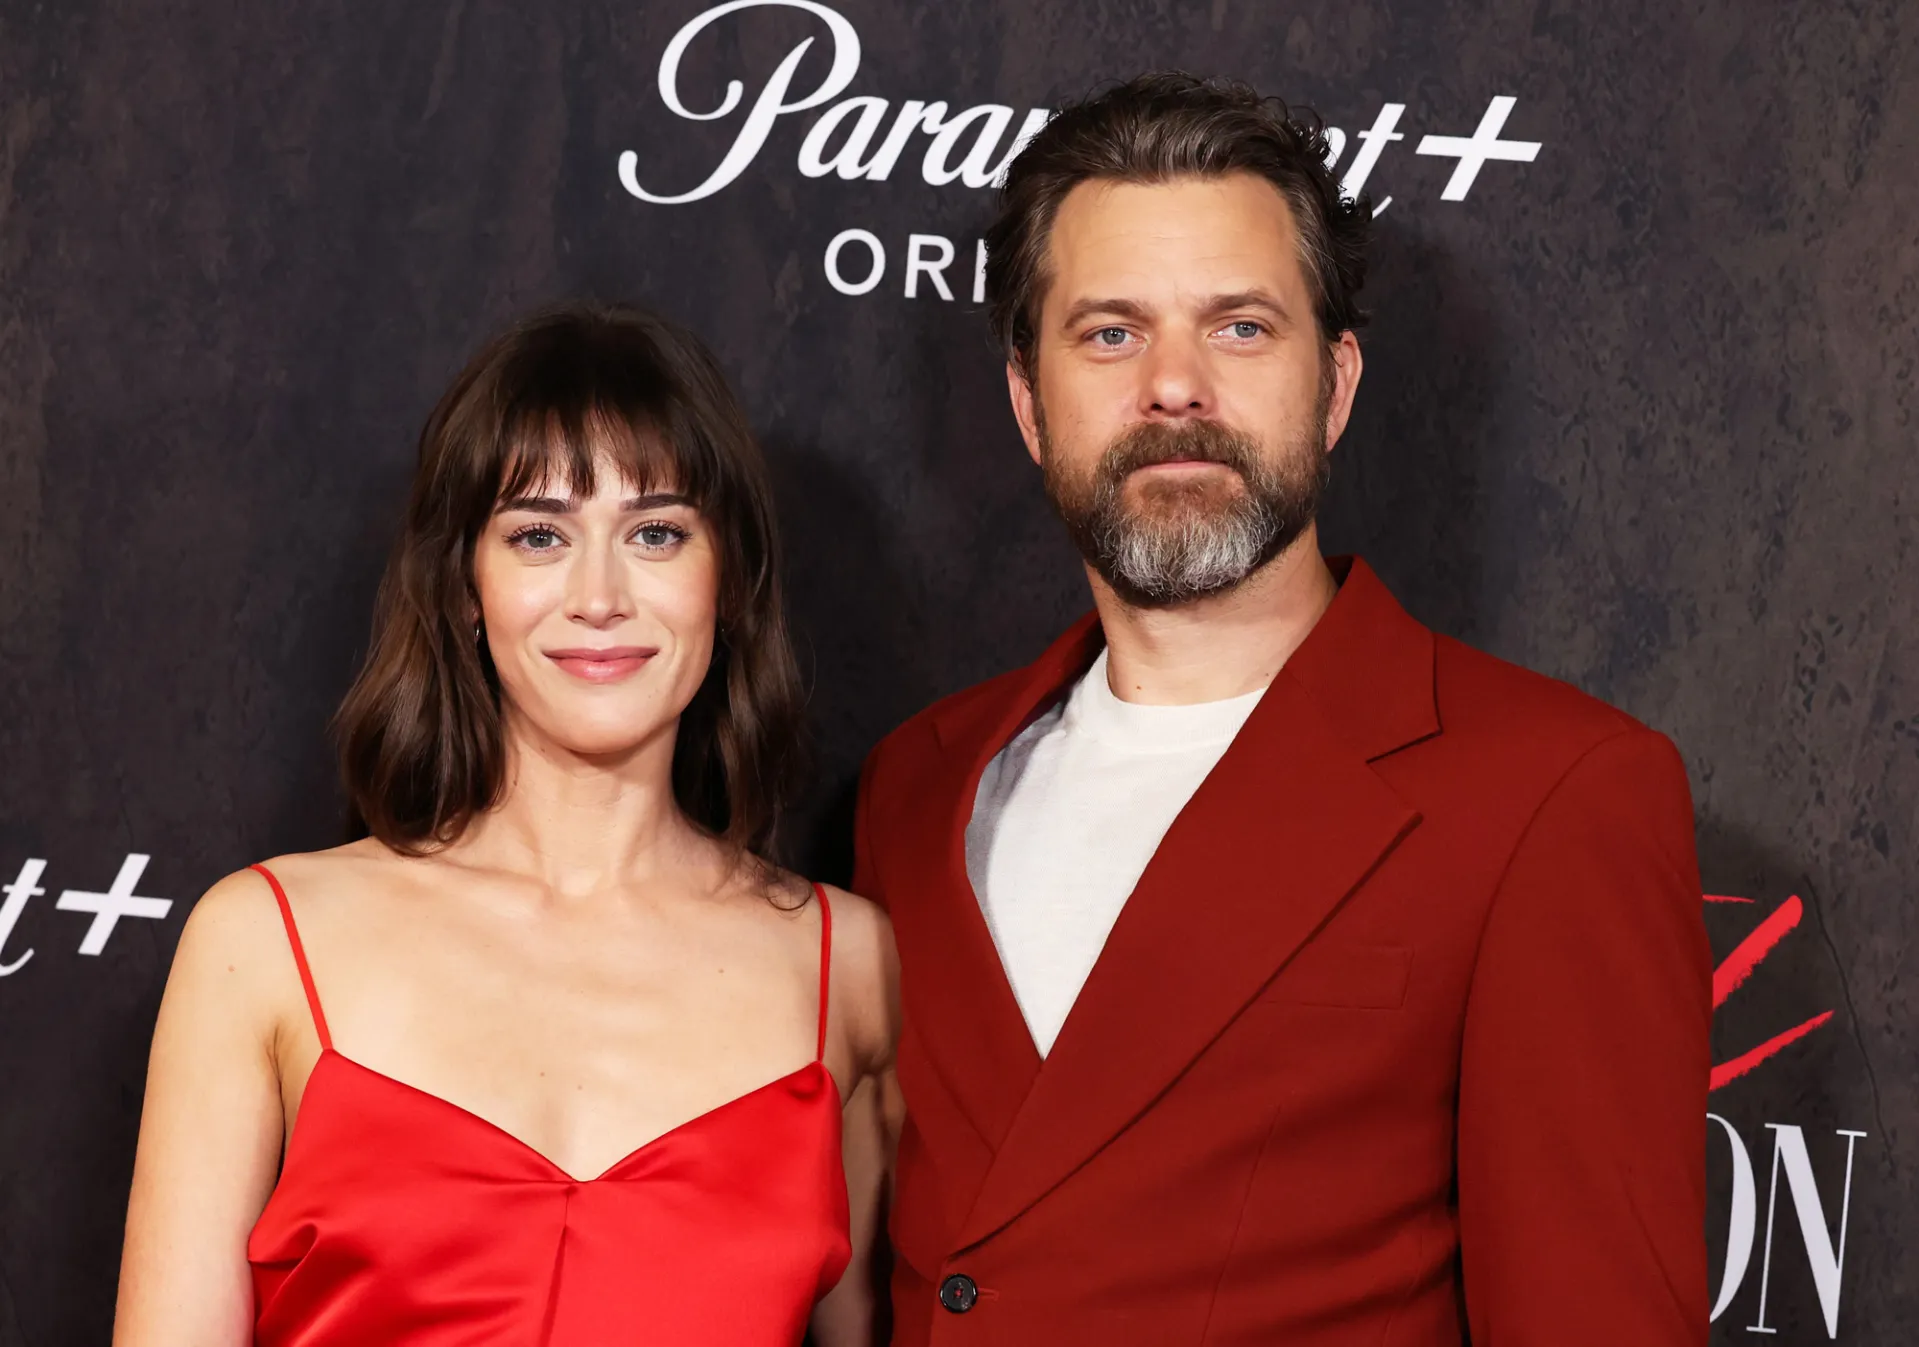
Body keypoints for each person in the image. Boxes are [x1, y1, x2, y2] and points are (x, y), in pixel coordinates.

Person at [854, 73, 1711, 1345]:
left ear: (1335, 385)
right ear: (1029, 405)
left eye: (1240, 327)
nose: (1174, 386)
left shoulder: (1550, 795)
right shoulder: (917, 785)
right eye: (1109, 334)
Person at [114, 303, 899, 1346]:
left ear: (731, 581)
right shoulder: (262, 940)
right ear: (465, 590)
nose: (599, 596)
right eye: (539, 535)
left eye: (656, 533)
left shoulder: (847, 967)